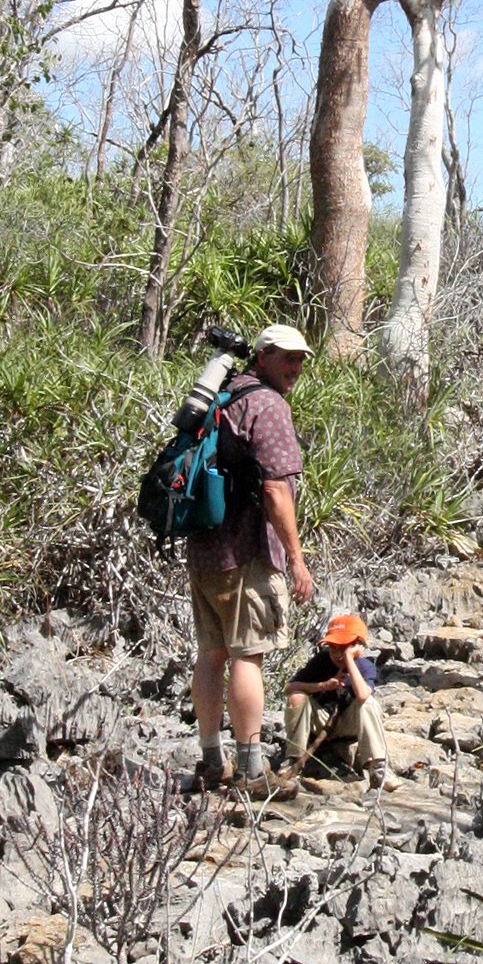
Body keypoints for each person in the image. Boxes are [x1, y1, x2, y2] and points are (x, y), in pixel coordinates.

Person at [187, 321, 315, 796]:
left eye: (301, 358)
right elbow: (276, 490)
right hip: (245, 554)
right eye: (287, 357)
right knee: (248, 656)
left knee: (211, 654)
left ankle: (210, 760)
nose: (295, 366)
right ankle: (251, 771)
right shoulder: (268, 405)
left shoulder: (223, 395)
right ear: (261, 356)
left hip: (203, 551)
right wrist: (296, 560)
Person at [284, 612, 390, 791]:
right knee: (297, 697)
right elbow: (290, 688)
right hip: (321, 721)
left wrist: (349, 660)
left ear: (357, 646)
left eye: (343, 647)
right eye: (332, 647)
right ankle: (294, 759)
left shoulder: (365, 666)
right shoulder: (321, 661)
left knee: (369, 703)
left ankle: (377, 768)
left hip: (349, 724)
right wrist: (323, 686)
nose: (336, 653)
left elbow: (363, 695)